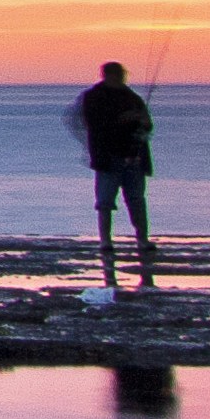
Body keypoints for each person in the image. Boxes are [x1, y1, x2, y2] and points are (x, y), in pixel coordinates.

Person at [75, 60, 155, 290]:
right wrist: (123, 120)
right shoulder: (94, 97)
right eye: (119, 75)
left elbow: (147, 124)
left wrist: (142, 121)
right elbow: (95, 123)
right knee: (105, 202)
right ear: (108, 75)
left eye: (123, 75)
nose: (122, 78)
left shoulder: (132, 97)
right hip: (108, 160)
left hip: (134, 158)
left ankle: (142, 239)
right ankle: (106, 242)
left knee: (137, 201)